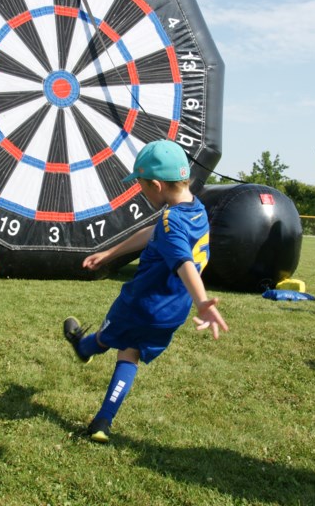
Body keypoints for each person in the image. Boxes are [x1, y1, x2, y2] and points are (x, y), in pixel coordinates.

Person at [63, 140, 228, 444]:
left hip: (139, 305)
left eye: (140, 185)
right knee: (130, 352)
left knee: (108, 336)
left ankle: (83, 347)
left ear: (155, 185)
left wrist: (203, 302)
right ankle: (102, 421)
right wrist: (110, 252)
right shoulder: (196, 210)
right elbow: (155, 233)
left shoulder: (169, 221)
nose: (139, 190)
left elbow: (183, 262)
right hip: (169, 315)